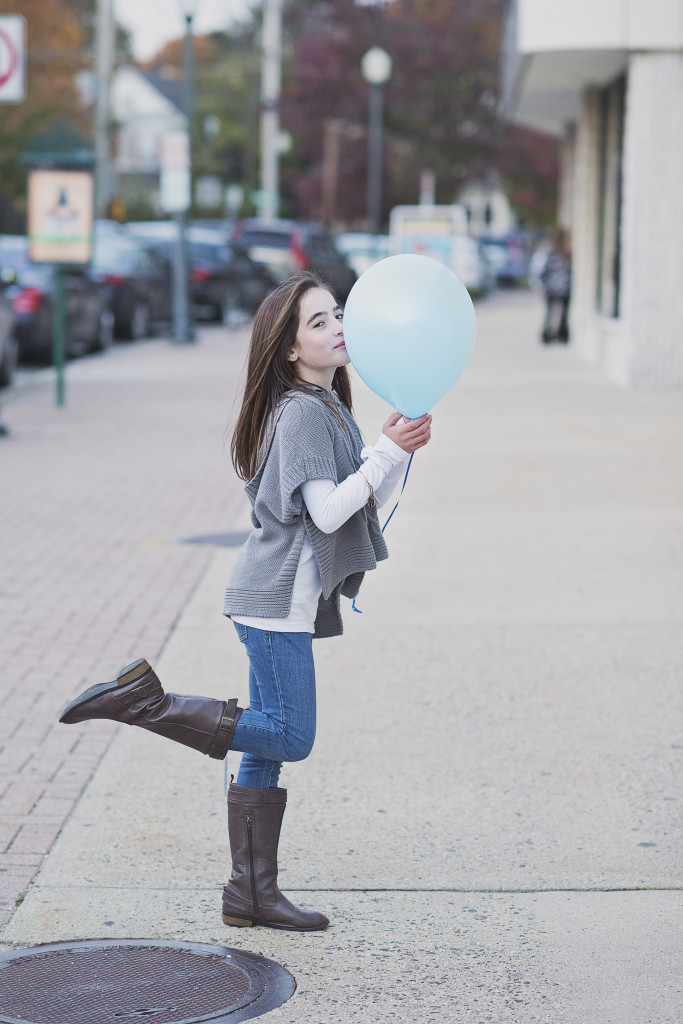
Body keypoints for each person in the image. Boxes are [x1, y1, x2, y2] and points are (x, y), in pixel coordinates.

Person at [59, 271, 432, 932]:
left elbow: (359, 495)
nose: (338, 327)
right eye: (318, 322)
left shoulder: (321, 405)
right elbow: (325, 514)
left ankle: (249, 895)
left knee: (263, 746)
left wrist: (391, 453)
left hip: (273, 598)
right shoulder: (299, 414)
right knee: (291, 735)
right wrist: (383, 452)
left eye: (336, 313)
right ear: (288, 348)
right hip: (272, 603)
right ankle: (147, 703)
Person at [540, 229, 572, 343]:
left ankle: (561, 335)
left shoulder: (566, 253)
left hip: (562, 288)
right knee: (551, 312)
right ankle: (548, 335)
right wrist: (544, 286)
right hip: (554, 288)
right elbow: (544, 271)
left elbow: (568, 271)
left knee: (561, 313)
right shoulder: (550, 253)